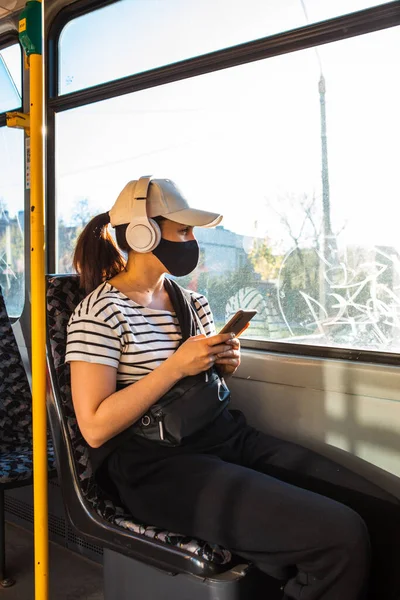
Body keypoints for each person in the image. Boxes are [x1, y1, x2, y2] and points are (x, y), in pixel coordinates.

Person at [66, 176, 400, 600]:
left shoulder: (191, 303)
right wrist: (172, 368)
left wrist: (220, 366)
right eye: (183, 231)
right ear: (142, 232)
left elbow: (194, 386)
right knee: (340, 536)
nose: (192, 241)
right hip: (157, 469)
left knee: (385, 514)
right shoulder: (99, 313)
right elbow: (94, 426)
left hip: (224, 439)